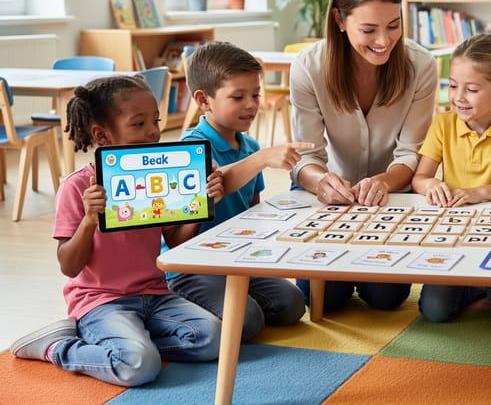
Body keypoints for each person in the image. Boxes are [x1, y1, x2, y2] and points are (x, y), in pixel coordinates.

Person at [10, 75, 223, 386]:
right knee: (138, 366)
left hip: (155, 294)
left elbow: (174, 240)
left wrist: (201, 204)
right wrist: (88, 222)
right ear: (102, 134)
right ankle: (60, 346)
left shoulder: (155, 176)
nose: (153, 131)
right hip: (101, 301)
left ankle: (131, 341)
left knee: (214, 337)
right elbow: (69, 265)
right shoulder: (77, 186)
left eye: (155, 120)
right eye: (139, 124)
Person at [289, 0, 437, 312]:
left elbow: (410, 156)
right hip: (326, 195)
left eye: (394, 25)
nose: (384, 41)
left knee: (386, 298)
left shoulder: (421, 66)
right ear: (340, 20)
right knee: (321, 299)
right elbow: (306, 159)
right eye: (369, 29)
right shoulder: (308, 68)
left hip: (390, 195)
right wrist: (322, 181)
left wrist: (384, 182)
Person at [164, 41, 312, 341]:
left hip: (235, 261)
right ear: (204, 100)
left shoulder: (249, 145)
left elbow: (251, 214)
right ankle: (177, 309)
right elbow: (175, 239)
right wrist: (261, 159)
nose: (251, 105)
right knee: (246, 320)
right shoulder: (188, 150)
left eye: (256, 95)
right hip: (192, 267)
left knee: (293, 304)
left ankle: (232, 306)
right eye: (238, 97)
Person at [412, 33, 491, 324]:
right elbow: (420, 177)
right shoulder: (443, 123)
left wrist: (477, 193)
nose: (458, 97)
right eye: (452, 85)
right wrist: (431, 184)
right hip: (454, 234)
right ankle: (474, 282)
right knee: (433, 311)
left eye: (470, 89)